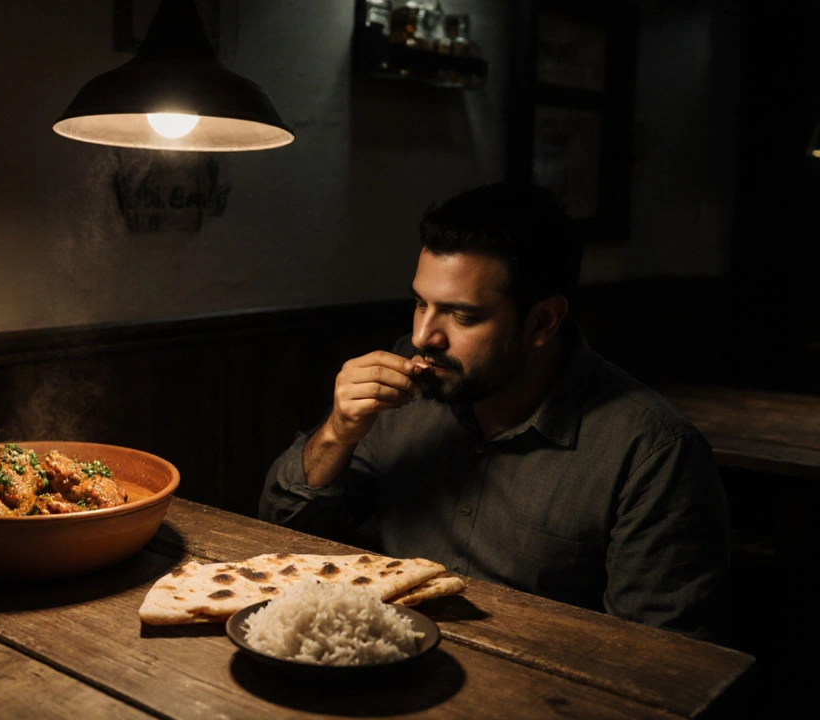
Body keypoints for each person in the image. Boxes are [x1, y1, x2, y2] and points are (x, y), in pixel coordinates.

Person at [259, 182, 729, 642]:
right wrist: (338, 432)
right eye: (420, 304)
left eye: (461, 316)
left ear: (543, 321)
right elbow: (281, 533)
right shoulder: (411, 383)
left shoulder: (654, 453)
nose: (424, 337)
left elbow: (661, 664)